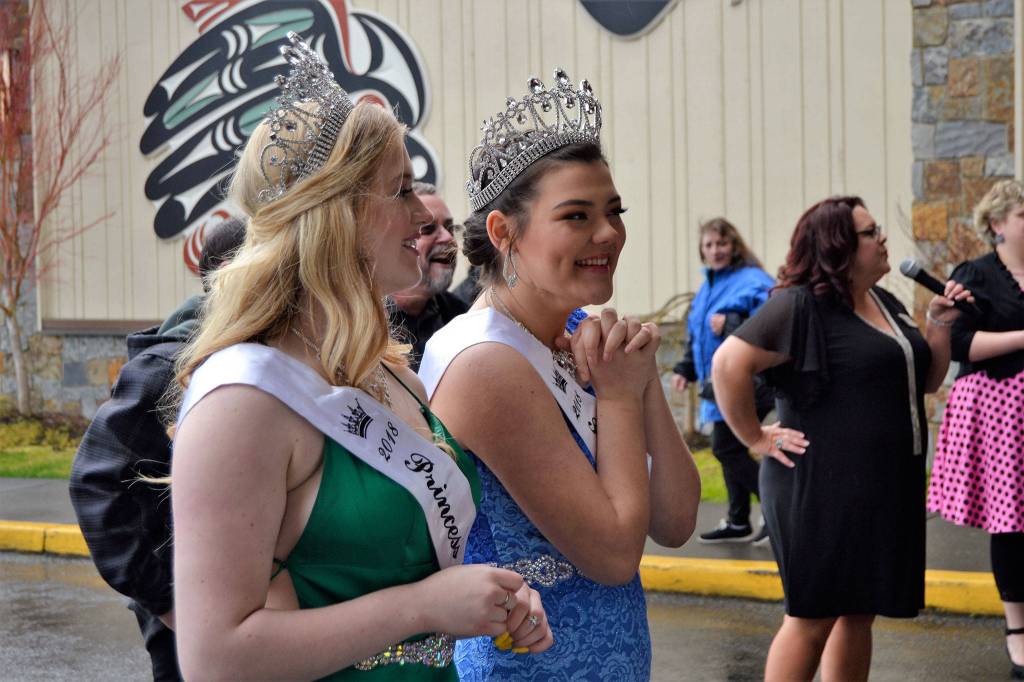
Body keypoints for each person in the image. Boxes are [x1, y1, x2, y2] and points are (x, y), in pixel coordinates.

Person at [168, 34, 551, 680]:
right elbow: (215, 658)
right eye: (400, 189)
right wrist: (420, 606)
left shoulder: (390, 369)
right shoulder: (243, 400)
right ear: (336, 211)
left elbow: (412, 559)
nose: (422, 211)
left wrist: (489, 599)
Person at [419, 69, 701, 680]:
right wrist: (621, 397)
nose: (610, 234)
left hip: (617, 656)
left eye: (614, 211)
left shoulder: (579, 331)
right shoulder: (483, 362)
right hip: (531, 664)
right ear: (505, 233)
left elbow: (676, 522)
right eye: (576, 216)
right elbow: (615, 553)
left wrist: (641, 379)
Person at [711, 196, 972, 681]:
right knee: (812, 616)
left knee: (859, 610)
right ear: (839, 246)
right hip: (818, 485)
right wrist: (755, 436)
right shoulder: (799, 305)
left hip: (880, 484)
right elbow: (728, 364)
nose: (883, 239)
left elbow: (926, 380)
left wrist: (937, 324)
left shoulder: (883, 301)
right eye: (872, 232)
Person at [68, 215, 246, 681]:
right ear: (231, 272)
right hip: (187, 622)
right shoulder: (172, 364)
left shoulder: (249, 352)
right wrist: (166, 600)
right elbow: (97, 485)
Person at [927, 179, 1024, 679]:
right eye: (1023, 214)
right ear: (997, 224)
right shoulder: (976, 274)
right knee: (1013, 522)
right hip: (1001, 408)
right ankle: (1018, 629)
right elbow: (960, 343)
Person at [671, 217, 774, 544]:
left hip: (747, 382)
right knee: (729, 449)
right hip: (718, 383)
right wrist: (685, 369)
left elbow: (772, 324)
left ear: (734, 245)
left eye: (721, 244)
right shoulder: (709, 286)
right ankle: (738, 519)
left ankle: (776, 508)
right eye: (709, 245)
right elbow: (697, 333)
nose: (715, 251)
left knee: (726, 447)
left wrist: (731, 321)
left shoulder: (753, 280)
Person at [390, 182, 468, 371]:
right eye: (428, 228)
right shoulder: (355, 319)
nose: (448, 239)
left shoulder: (462, 317)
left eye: (450, 228)